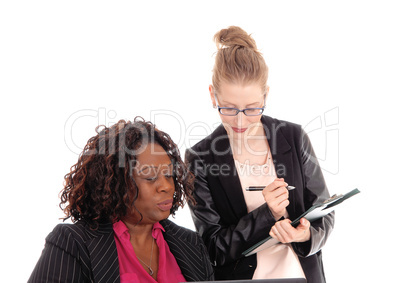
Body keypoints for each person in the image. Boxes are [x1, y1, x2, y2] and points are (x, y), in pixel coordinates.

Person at [185, 26, 335, 283]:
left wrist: (305, 235)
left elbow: (324, 211)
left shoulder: (294, 137)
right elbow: (213, 249)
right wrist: (268, 214)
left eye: (253, 108)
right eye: (229, 109)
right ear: (212, 95)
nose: (241, 121)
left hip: (303, 274)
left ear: (266, 95)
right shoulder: (200, 158)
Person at [29, 118, 214, 283]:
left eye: (169, 174)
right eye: (150, 177)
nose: (166, 186)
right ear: (117, 182)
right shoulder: (73, 243)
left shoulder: (191, 243)